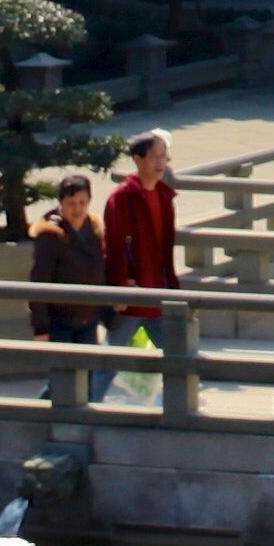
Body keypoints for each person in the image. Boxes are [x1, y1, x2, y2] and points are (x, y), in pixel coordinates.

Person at [101, 132, 181, 386]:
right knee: (109, 361)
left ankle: (182, 403)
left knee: (178, 355)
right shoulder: (123, 197)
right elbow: (113, 245)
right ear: (138, 159)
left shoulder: (164, 196)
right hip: (133, 291)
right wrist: (119, 286)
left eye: (164, 157)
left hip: (160, 289)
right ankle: (81, 402)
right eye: (154, 157)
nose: (161, 163)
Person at [28, 175, 116, 401]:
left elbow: (102, 271)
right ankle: (37, 414)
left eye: (82, 203)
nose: (77, 210)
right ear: (61, 203)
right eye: (71, 203)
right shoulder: (50, 236)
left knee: (85, 379)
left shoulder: (94, 230)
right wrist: (41, 327)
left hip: (88, 318)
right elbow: (39, 282)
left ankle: (77, 419)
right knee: (62, 379)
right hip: (60, 320)